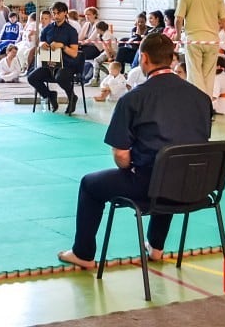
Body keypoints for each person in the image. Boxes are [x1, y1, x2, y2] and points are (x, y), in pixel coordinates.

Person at [55, 33, 212, 269]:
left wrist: (133, 165)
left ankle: (83, 253)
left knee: (90, 184)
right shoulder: (201, 97)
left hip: (151, 187)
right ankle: (156, 247)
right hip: (196, 185)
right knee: (173, 162)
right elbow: (192, 143)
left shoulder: (134, 98)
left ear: (144, 58)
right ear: (171, 58)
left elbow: (121, 156)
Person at [174, 0, 225, 97]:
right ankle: (207, 106)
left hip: (193, 40)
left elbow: (178, 20)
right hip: (212, 41)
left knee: (194, 74)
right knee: (209, 75)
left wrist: (178, 36)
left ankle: (197, 105)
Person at [28, 1, 81, 114]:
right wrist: (42, 44)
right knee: (32, 77)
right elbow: (40, 43)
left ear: (65, 13)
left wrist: (62, 46)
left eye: (58, 13)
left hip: (67, 65)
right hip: (50, 64)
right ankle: (50, 95)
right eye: (54, 13)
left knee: (60, 77)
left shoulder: (71, 31)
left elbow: (74, 53)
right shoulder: (47, 29)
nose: (56, 16)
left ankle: (72, 97)